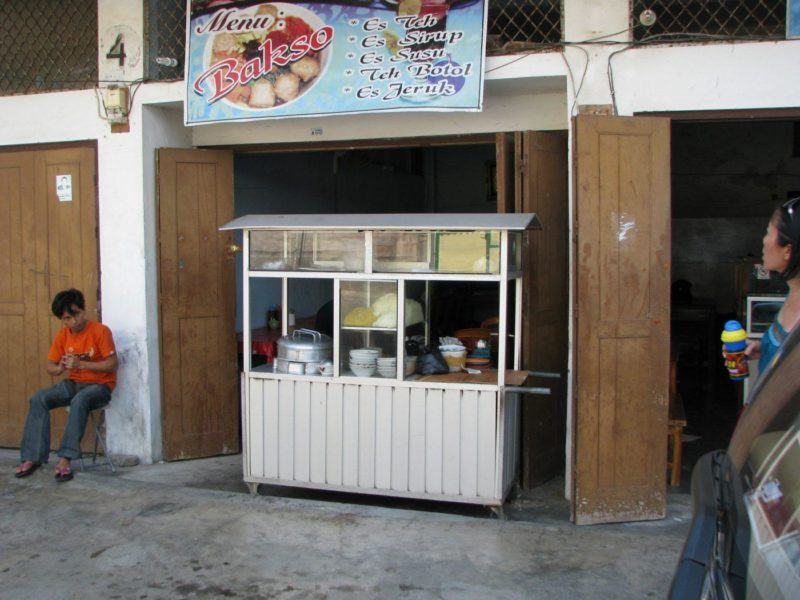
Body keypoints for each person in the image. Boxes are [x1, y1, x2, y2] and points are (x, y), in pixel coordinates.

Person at [14, 289, 118, 482]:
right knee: (39, 398)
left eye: (76, 315)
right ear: (62, 319)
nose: (74, 322)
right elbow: (50, 366)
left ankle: (65, 459)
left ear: (84, 310)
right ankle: (32, 457)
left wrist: (81, 364)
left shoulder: (100, 331)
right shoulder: (63, 336)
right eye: (67, 318)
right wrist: (60, 367)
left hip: (100, 386)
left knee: (80, 400)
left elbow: (112, 364)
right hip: (74, 383)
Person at [745, 197, 800, 379]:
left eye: (769, 232)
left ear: (788, 251)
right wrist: (763, 348)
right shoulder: (793, 293)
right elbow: (785, 347)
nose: (764, 240)